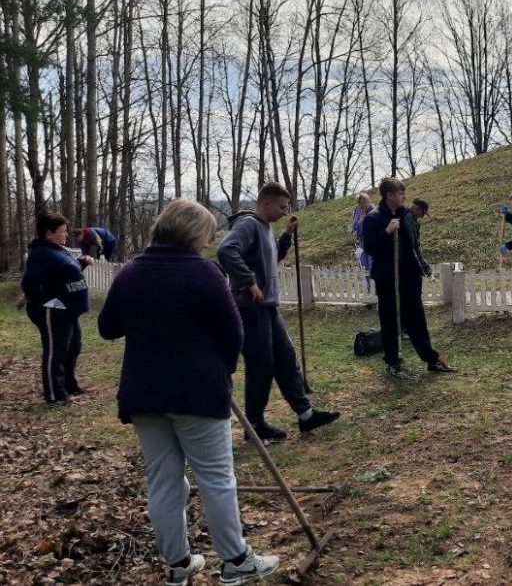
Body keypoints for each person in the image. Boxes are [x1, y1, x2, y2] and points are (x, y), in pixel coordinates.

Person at [98, 199, 280, 586]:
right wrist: (222, 369)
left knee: (164, 480)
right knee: (216, 477)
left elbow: (108, 327)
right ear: (194, 234)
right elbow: (233, 332)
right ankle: (235, 560)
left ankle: (178, 565)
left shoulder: (131, 273)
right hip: (198, 390)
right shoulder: (204, 272)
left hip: (145, 392)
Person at [217, 183, 340, 442]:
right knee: (261, 365)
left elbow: (273, 257)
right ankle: (255, 425)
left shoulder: (265, 228)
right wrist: (249, 281)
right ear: (266, 203)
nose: (285, 212)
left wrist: (286, 235)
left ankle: (306, 415)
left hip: (267, 306)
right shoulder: (248, 225)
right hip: (250, 307)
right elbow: (226, 250)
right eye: (282, 207)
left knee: (285, 357)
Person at [363, 177, 455, 378]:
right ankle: (393, 362)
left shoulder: (406, 216)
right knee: (390, 320)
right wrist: (387, 232)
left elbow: (414, 247)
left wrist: (422, 267)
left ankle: (431, 360)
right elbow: (369, 247)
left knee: (417, 319)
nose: (404, 197)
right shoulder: (374, 218)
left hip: (409, 277)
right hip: (388, 278)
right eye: (400, 193)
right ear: (389, 196)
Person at [21, 212, 94, 405]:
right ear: (49, 233)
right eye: (62, 231)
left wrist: (81, 263)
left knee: (73, 347)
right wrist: (49, 302)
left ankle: (69, 385)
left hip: (69, 310)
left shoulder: (58, 250)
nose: (66, 234)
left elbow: (62, 275)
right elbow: (29, 283)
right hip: (53, 311)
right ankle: (55, 395)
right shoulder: (40, 253)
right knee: (56, 351)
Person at [351, 193, 376, 276]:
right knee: (365, 269)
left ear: (368, 202)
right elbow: (355, 226)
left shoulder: (374, 212)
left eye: (363, 203)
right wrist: (357, 222)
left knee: (373, 268)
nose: (361, 206)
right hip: (362, 244)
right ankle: (368, 288)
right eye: (359, 203)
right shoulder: (358, 210)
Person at [409, 198, 433, 277]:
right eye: (422, 213)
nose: (422, 217)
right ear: (417, 209)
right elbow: (412, 248)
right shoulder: (408, 222)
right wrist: (422, 268)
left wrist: (424, 267)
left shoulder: (412, 222)